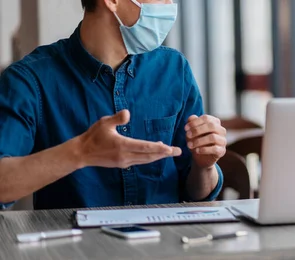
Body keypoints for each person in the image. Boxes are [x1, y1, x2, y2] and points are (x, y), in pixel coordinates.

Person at [0, 0, 226, 209]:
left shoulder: (174, 69)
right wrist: (80, 152)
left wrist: (204, 166)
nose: (170, 4)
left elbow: (197, 194)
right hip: (76, 249)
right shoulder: (30, 80)